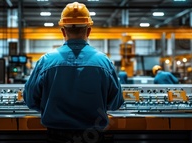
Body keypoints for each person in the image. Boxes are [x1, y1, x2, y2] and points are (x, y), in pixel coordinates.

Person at [24, 2, 124, 143]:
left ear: (63, 31)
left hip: (56, 136)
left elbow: (30, 100)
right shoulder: (104, 62)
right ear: (88, 30)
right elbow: (115, 103)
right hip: (93, 136)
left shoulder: (46, 61)